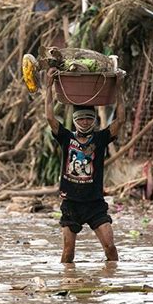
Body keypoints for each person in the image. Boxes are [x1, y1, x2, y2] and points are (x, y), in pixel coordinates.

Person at [45, 67, 124, 263]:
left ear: (94, 120)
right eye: (80, 118)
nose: (85, 121)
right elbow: (49, 117)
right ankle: (68, 284)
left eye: (89, 118)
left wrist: (119, 87)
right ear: (75, 120)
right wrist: (48, 87)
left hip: (95, 203)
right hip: (71, 203)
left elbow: (120, 119)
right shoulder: (66, 137)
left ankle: (112, 279)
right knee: (68, 253)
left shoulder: (101, 138)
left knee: (110, 247)